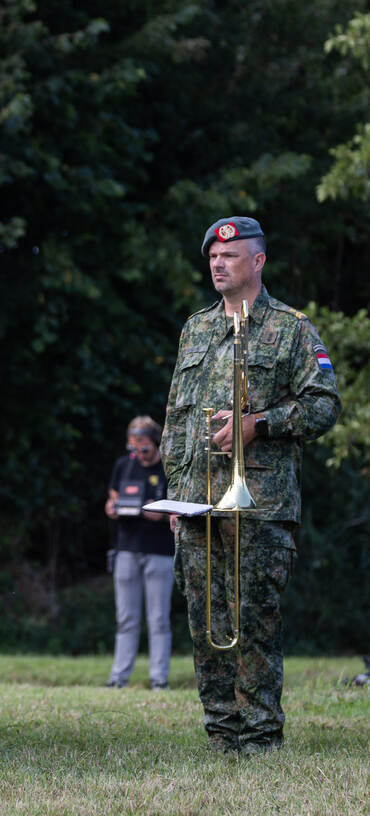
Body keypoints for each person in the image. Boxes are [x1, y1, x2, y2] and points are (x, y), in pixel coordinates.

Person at [161, 216, 340, 754]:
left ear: (257, 261)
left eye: (230, 256)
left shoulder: (291, 328)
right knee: (203, 623)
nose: (218, 263)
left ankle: (261, 738)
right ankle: (222, 734)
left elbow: (324, 404)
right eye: (214, 257)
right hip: (197, 502)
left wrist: (257, 424)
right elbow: (175, 417)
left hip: (259, 504)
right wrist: (176, 489)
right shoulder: (196, 328)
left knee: (255, 625)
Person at [103, 416, 174, 690]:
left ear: (154, 441)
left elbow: (174, 506)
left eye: (143, 445)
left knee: (158, 618)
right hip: (126, 551)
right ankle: (118, 678)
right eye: (134, 445)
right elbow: (112, 499)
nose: (138, 451)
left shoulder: (168, 468)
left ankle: (159, 679)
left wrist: (160, 511)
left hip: (159, 552)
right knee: (126, 618)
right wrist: (112, 507)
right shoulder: (123, 465)